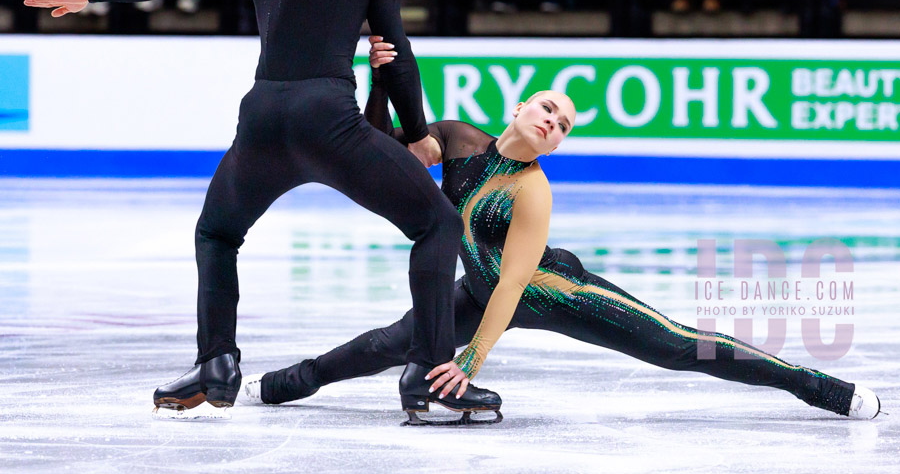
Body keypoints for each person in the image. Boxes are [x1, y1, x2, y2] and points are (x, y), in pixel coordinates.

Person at [23, 0, 498, 424]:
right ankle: (428, 370)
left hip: (263, 120)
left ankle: (216, 362)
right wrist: (419, 134)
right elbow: (395, 52)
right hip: (328, 121)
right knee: (437, 224)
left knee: (218, 234)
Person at [238, 35, 882, 425]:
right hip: (477, 292)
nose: (555, 121)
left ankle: (824, 388)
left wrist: (470, 361)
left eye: (566, 123)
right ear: (521, 108)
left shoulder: (532, 191)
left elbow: (515, 283)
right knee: (387, 342)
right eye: (550, 107)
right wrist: (381, 79)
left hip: (551, 288)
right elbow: (387, 151)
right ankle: (281, 385)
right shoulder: (460, 140)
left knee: (682, 344)